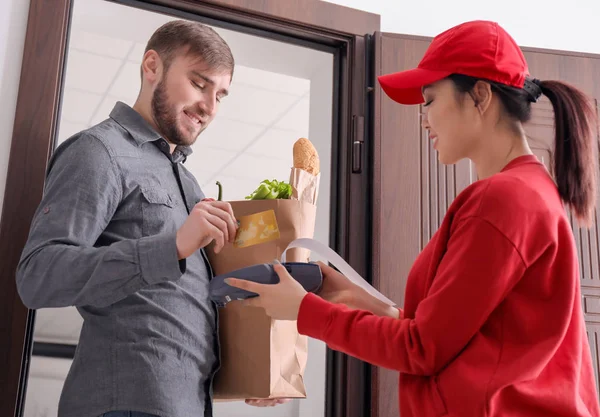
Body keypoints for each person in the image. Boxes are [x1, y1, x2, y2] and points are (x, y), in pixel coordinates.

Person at [226, 20, 600, 417]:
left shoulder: (504, 199)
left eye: (431, 100)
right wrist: (358, 301)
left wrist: (305, 312)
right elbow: (459, 338)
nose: (424, 119)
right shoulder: (528, 192)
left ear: (481, 95)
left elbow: (422, 349)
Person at [16, 20, 285, 417]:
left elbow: (176, 317)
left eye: (220, 95)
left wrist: (250, 375)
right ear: (152, 66)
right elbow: (37, 277)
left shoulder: (190, 185)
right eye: (198, 83)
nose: (210, 107)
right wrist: (172, 246)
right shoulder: (98, 151)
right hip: (124, 405)